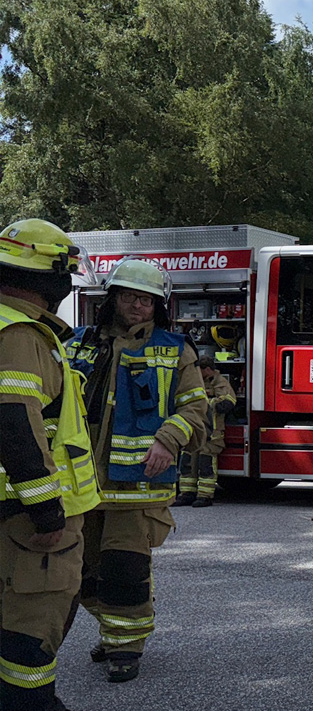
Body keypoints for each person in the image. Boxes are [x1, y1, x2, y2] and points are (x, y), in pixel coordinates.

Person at [64, 256, 208, 682]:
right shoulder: (76, 344)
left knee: (125, 570)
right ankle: (112, 630)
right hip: (81, 483)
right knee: (79, 572)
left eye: (146, 300)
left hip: (136, 489)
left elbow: (196, 407)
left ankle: (126, 646)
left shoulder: (175, 350)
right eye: (129, 296)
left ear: (158, 306)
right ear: (113, 298)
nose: (137, 306)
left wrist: (169, 438)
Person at [0, 219, 100, 711]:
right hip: (26, 522)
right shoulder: (22, 334)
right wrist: (47, 512)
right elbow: (15, 423)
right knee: (29, 633)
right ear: (51, 277)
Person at [174, 356, 236, 508]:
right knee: (188, 462)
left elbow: (228, 402)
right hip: (194, 430)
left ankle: (205, 496)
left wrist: (207, 402)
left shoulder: (220, 382)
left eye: (199, 370)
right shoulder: (196, 382)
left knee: (205, 463)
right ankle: (187, 493)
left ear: (207, 369)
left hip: (212, 432)